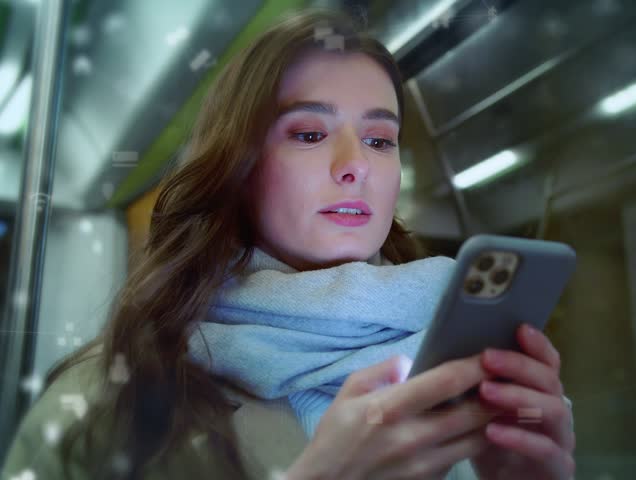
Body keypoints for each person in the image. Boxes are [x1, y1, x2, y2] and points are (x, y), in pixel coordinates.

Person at [1, 7, 575, 480]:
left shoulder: (461, 365)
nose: (356, 165)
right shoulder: (107, 401)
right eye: (309, 133)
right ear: (240, 168)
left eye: (380, 140)